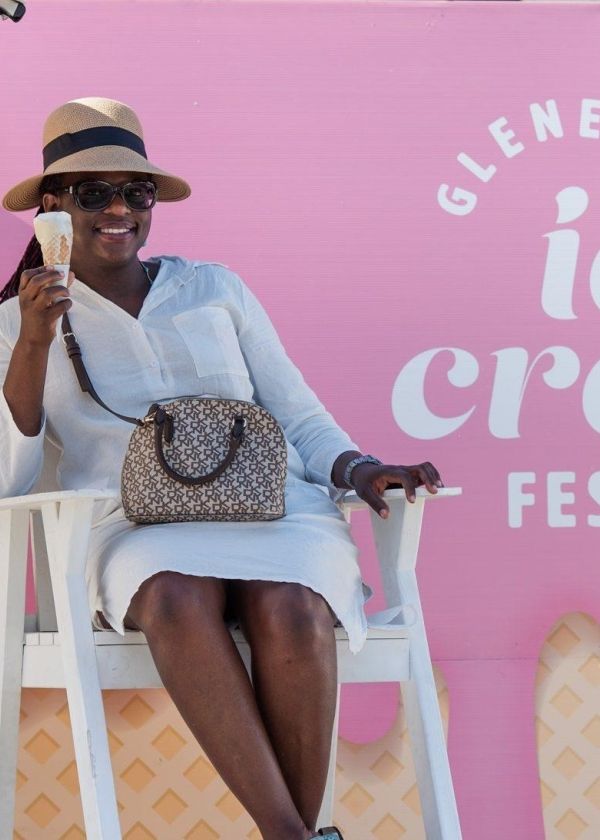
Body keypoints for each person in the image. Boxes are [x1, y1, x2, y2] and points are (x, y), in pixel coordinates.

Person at [0, 98, 443, 840]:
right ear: (51, 207)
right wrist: (37, 340)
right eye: (91, 193)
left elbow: (295, 409)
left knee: (293, 605)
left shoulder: (215, 289)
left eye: (134, 192)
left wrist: (359, 468)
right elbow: (9, 473)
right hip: (127, 524)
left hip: (272, 512)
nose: (117, 208)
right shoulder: (19, 320)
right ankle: (299, 835)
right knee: (174, 596)